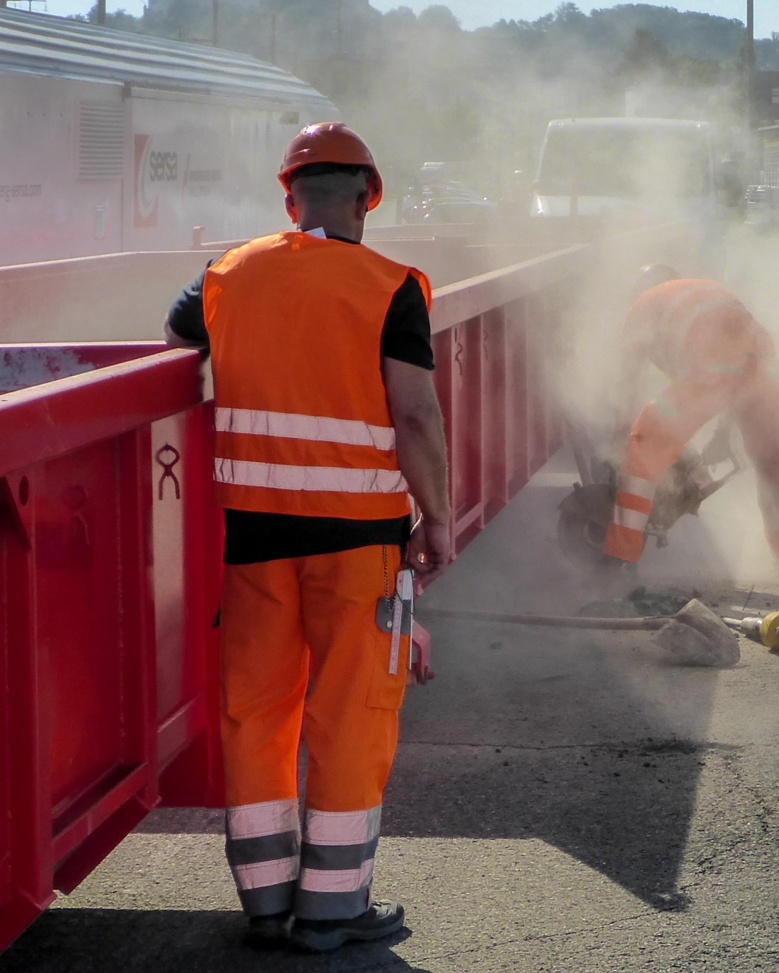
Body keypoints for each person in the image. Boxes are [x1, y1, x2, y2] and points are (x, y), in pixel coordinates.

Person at [164, 122, 452, 953]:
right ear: (368, 197)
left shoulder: (225, 275)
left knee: (257, 715)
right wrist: (434, 519)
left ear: (289, 199)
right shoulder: (388, 286)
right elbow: (417, 414)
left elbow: (180, 335)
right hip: (358, 544)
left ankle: (264, 903)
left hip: (253, 543)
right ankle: (332, 909)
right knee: (351, 716)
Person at [603, 265, 779, 566]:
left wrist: (623, 436)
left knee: (644, 445)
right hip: (765, 365)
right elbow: (741, 368)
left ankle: (619, 557)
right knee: (773, 461)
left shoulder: (643, 304)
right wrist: (722, 434)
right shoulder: (704, 289)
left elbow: (626, 380)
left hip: (714, 367)